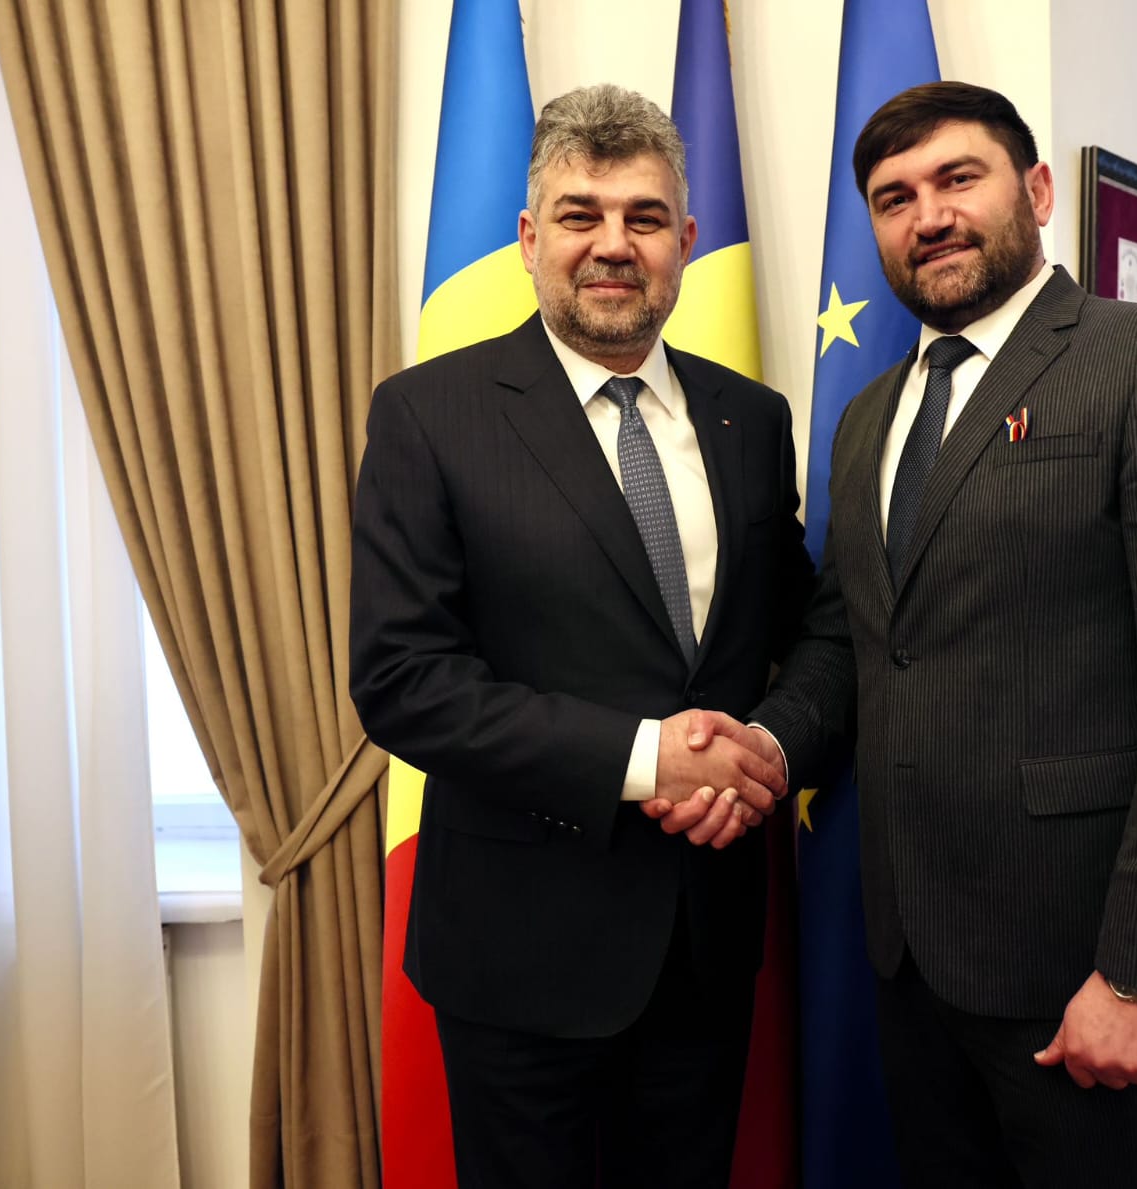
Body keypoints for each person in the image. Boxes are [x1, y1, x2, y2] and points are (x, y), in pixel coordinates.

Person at [674, 81, 1137, 1187]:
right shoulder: (867, 418)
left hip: (1086, 963)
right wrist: (765, 746)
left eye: (959, 179)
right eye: (895, 197)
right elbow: (853, 642)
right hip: (913, 961)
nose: (930, 216)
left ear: (1036, 191)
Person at [349, 83, 814, 1189]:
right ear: (528, 238)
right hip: (520, 957)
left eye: (644, 217)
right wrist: (649, 759)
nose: (613, 244)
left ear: (686, 241)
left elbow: (801, 632)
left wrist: (763, 752)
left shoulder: (751, 420)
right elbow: (404, 680)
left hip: (705, 945)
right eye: (580, 214)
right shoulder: (429, 415)